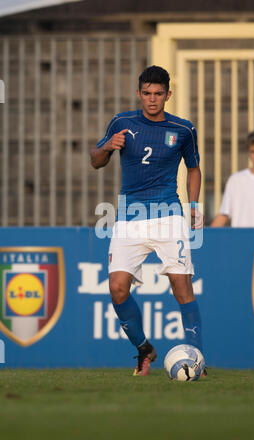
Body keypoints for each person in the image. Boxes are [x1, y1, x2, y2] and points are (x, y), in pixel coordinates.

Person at [90, 65, 205, 376]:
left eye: (158, 94)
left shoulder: (184, 129)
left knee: (182, 287)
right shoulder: (122, 123)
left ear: (168, 94)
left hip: (168, 215)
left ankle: (197, 358)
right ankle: (144, 349)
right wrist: (106, 147)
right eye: (147, 93)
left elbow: (193, 168)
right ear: (139, 93)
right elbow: (95, 160)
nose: (152, 99)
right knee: (117, 289)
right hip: (129, 218)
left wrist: (193, 205)